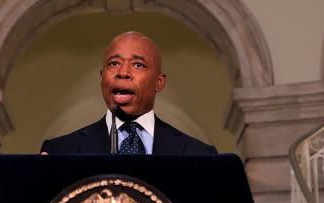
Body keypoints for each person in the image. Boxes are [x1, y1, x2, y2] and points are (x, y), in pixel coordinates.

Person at [40, 31, 218, 155]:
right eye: (114, 63)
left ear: (159, 82)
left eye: (138, 64)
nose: (123, 72)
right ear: (102, 78)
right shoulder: (61, 152)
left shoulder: (199, 155)